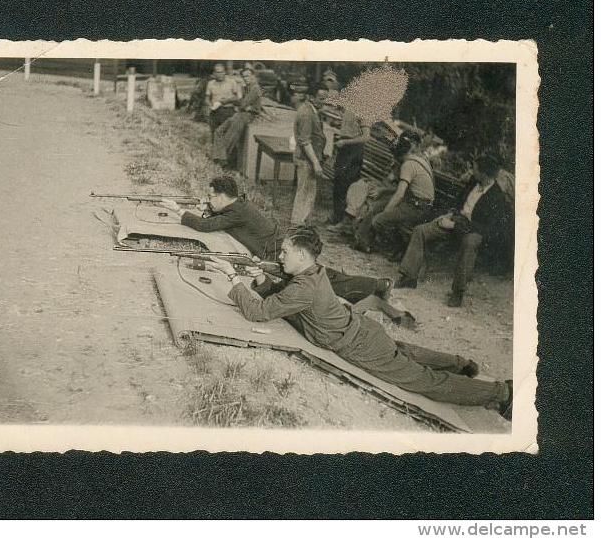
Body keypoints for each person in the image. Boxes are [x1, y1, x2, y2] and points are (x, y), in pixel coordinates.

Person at [209, 225, 513, 419]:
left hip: (359, 344)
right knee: (404, 352)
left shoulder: (303, 286)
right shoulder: (313, 272)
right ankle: (461, 364)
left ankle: (501, 393)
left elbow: (258, 312)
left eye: (285, 252)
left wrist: (233, 278)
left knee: (422, 380)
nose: (280, 256)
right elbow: (284, 295)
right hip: (364, 331)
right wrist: (261, 278)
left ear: (301, 255)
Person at [159, 175, 393, 306]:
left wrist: (178, 210)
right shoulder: (235, 205)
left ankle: (378, 286)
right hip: (277, 246)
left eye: (211, 197)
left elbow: (204, 226)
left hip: (277, 250)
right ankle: (376, 286)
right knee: (321, 277)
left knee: (322, 278)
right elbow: (218, 219)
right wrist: (208, 208)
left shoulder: (235, 211)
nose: (208, 200)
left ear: (222, 196)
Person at [396, 156, 511, 307]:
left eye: (475, 168)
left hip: (474, 229)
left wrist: (455, 226)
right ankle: (409, 277)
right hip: (457, 220)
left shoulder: (497, 197)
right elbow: (458, 202)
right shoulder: (473, 182)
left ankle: (458, 292)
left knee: (470, 243)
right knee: (421, 231)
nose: (472, 171)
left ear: (484, 173)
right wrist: (450, 214)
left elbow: (489, 229)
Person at [353, 130, 435, 256]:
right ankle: (362, 240)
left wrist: (387, 210)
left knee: (379, 220)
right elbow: (403, 189)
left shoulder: (408, 164)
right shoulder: (416, 158)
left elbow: (400, 194)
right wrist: (384, 192)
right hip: (413, 201)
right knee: (376, 206)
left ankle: (397, 246)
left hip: (417, 206)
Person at [211, 68, 264, 168]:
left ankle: (222, 161)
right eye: (244, 76)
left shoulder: (255, 88)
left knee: (230, 135)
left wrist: (241, 105)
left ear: (253, 76)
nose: (246, 78)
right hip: (240, 113)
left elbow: (243, 103)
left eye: (248, 75)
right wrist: (224, 101)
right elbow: (239, 100)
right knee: (218, 131)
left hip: (248, 115)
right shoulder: (246, 87)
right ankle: (218, 158)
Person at [327, 106, 370, 230]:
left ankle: (342, 222)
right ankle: (336, 217)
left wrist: (346, 142)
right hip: (344, 148)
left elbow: (366, 137)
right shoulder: (348, 108)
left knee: (346, 183)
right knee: (338, 182)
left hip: (353, 150)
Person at [290, 88, 327, 226]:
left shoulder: (311, 111)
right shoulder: (306, 114)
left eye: (326, 98)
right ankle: (297, 223)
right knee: (304, 193)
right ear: (311, 96)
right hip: (306, 160)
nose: (325, 101)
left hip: (309, 159)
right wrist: (316, 163)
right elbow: (305, 141)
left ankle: (302, 222)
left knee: (309, 192)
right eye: (322, 98)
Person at [205, 63, 242, 138]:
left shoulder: (231, 82)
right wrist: (210, 106)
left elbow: (237, 98)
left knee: (228, 135)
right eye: (218, 72)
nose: (220, 74)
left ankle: (227, 149)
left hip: (228, 111)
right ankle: (215, 149)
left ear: (225, 72)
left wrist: (226, 101)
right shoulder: (210, 83)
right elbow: (206, 98)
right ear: (214, 73)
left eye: (222, 72)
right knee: (215, 134)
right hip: (215, 112)